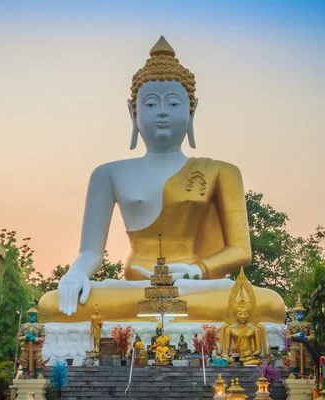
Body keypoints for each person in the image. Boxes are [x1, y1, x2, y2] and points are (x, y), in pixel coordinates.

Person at [38, 36, 284, 323]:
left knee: (270, 304)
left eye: (174, 103)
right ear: (134, 112)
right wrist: (76, 273)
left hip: (195, 287)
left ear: (192, 111)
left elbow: (241, 251)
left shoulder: (221, 171)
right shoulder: (107, 173)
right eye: (152, 104)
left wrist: (199, 270)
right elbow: (91, 251)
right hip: (135, 287)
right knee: (52, 304)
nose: (163, 112)